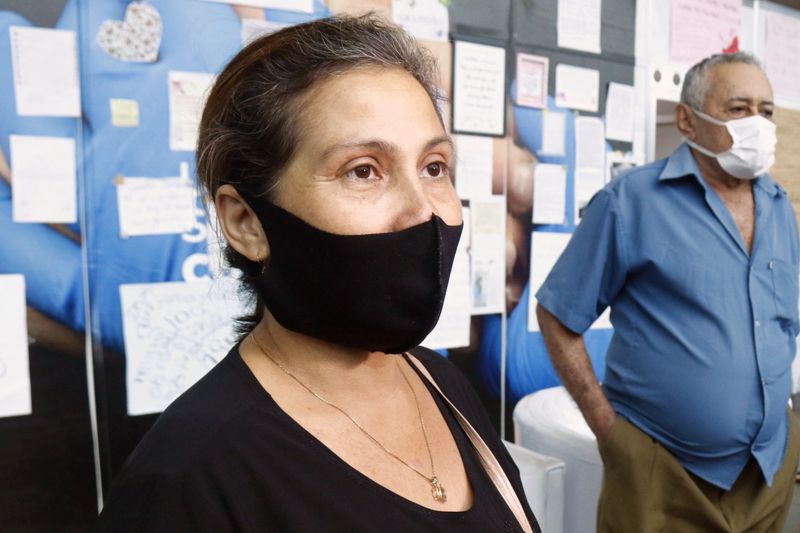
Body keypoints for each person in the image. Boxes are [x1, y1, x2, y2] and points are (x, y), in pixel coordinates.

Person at [97, 15, 539, 532]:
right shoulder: (190, 479)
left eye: (434, 166)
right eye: (363, 170)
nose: (425, 212)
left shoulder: (442, 385)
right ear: (246, 223)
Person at [536, 51, 800, 532]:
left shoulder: (781, 208)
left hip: (767, 471)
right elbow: (557, 315)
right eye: (739, 109)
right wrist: (609, 431)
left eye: (765, 112)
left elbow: (782, 326)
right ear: (687, 120)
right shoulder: (630, 201)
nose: (757, 125)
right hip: (660, 473)